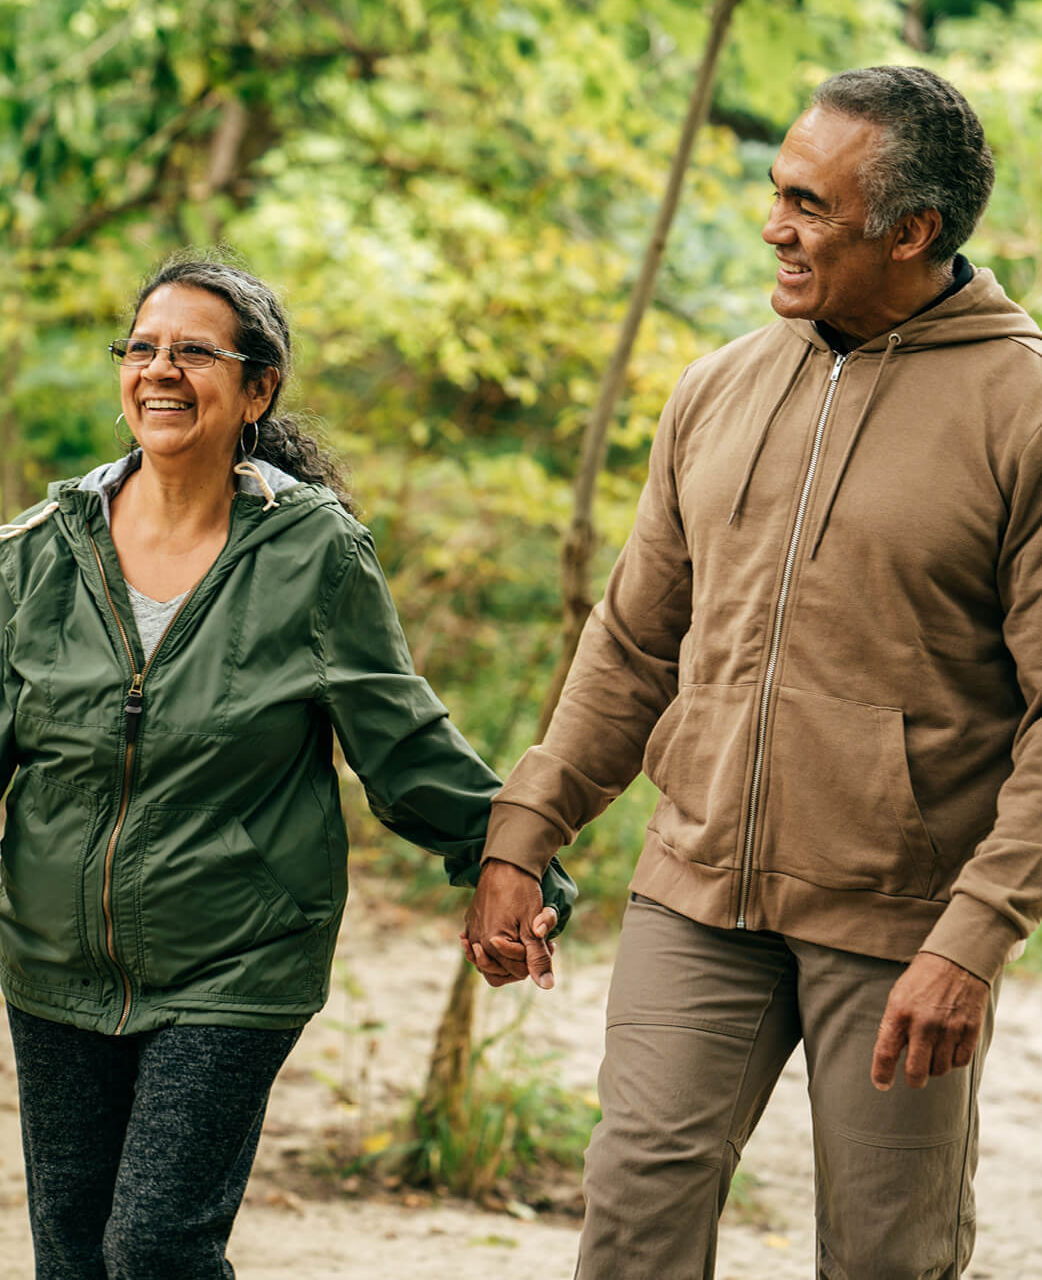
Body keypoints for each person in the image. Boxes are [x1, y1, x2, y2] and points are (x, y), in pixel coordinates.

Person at [463, 65, 1042, 1277]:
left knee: (888, 1256)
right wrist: (526, 829)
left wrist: (972, 939)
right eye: (775, 190)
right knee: (631, 1223)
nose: (773, 224)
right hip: (695, 890)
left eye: (809, 205)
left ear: (912, 232)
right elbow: (630, 644)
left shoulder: (1023, 411)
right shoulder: (718, 387)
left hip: (901, 921)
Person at [0, 254, 573, 1279]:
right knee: (72, 1256)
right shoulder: (38, 555)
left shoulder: (312, 554)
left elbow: (401, 742)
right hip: (54, 960)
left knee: (155, 1250)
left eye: (194, 352)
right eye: (142, 348)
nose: (159, 371)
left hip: (237, 955)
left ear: (257, 389)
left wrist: (518, 862)